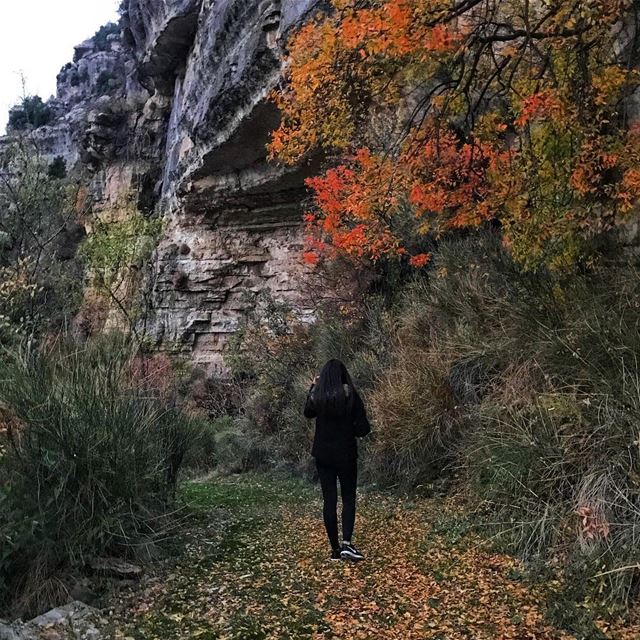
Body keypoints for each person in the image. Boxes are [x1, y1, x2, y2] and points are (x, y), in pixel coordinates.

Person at [304, 359, 371, 561]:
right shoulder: (350, 395)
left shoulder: (319, 397)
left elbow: (307, 412)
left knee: (329, 501)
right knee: (348, 499)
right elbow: (363, 429)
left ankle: (334, 549)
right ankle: (347, 545)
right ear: (343, 375)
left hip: (323, 455)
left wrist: (313, 386)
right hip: (346, 455)